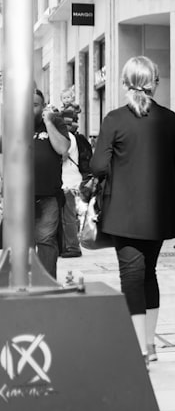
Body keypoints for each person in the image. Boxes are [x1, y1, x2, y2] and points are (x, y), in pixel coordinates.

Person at [90, 56, 175, 363]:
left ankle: (139, 350)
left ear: (124, 83)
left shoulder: (114, 119)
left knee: (131, 276)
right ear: (154, 82)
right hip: (158, 213)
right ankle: (150, 345)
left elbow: (98, 166)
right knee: (149, 274)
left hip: (123, 213)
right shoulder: (170, 119)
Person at [29, 90, 71, 279]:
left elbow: (62, 148)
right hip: (21, 196)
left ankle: (45, 285)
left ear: (43, 106)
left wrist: (48, 122)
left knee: (46, 241)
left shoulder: (55, 122)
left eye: (35, 105)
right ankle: (23, 285)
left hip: (48, 195)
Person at [59, 106, 92, 258]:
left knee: (68, 217)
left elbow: (62, 157)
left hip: (68, 183)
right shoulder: (69, 136)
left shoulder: (67, 138)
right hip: (68, 182)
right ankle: (66, 245)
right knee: (67, 217)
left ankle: (72, 247)